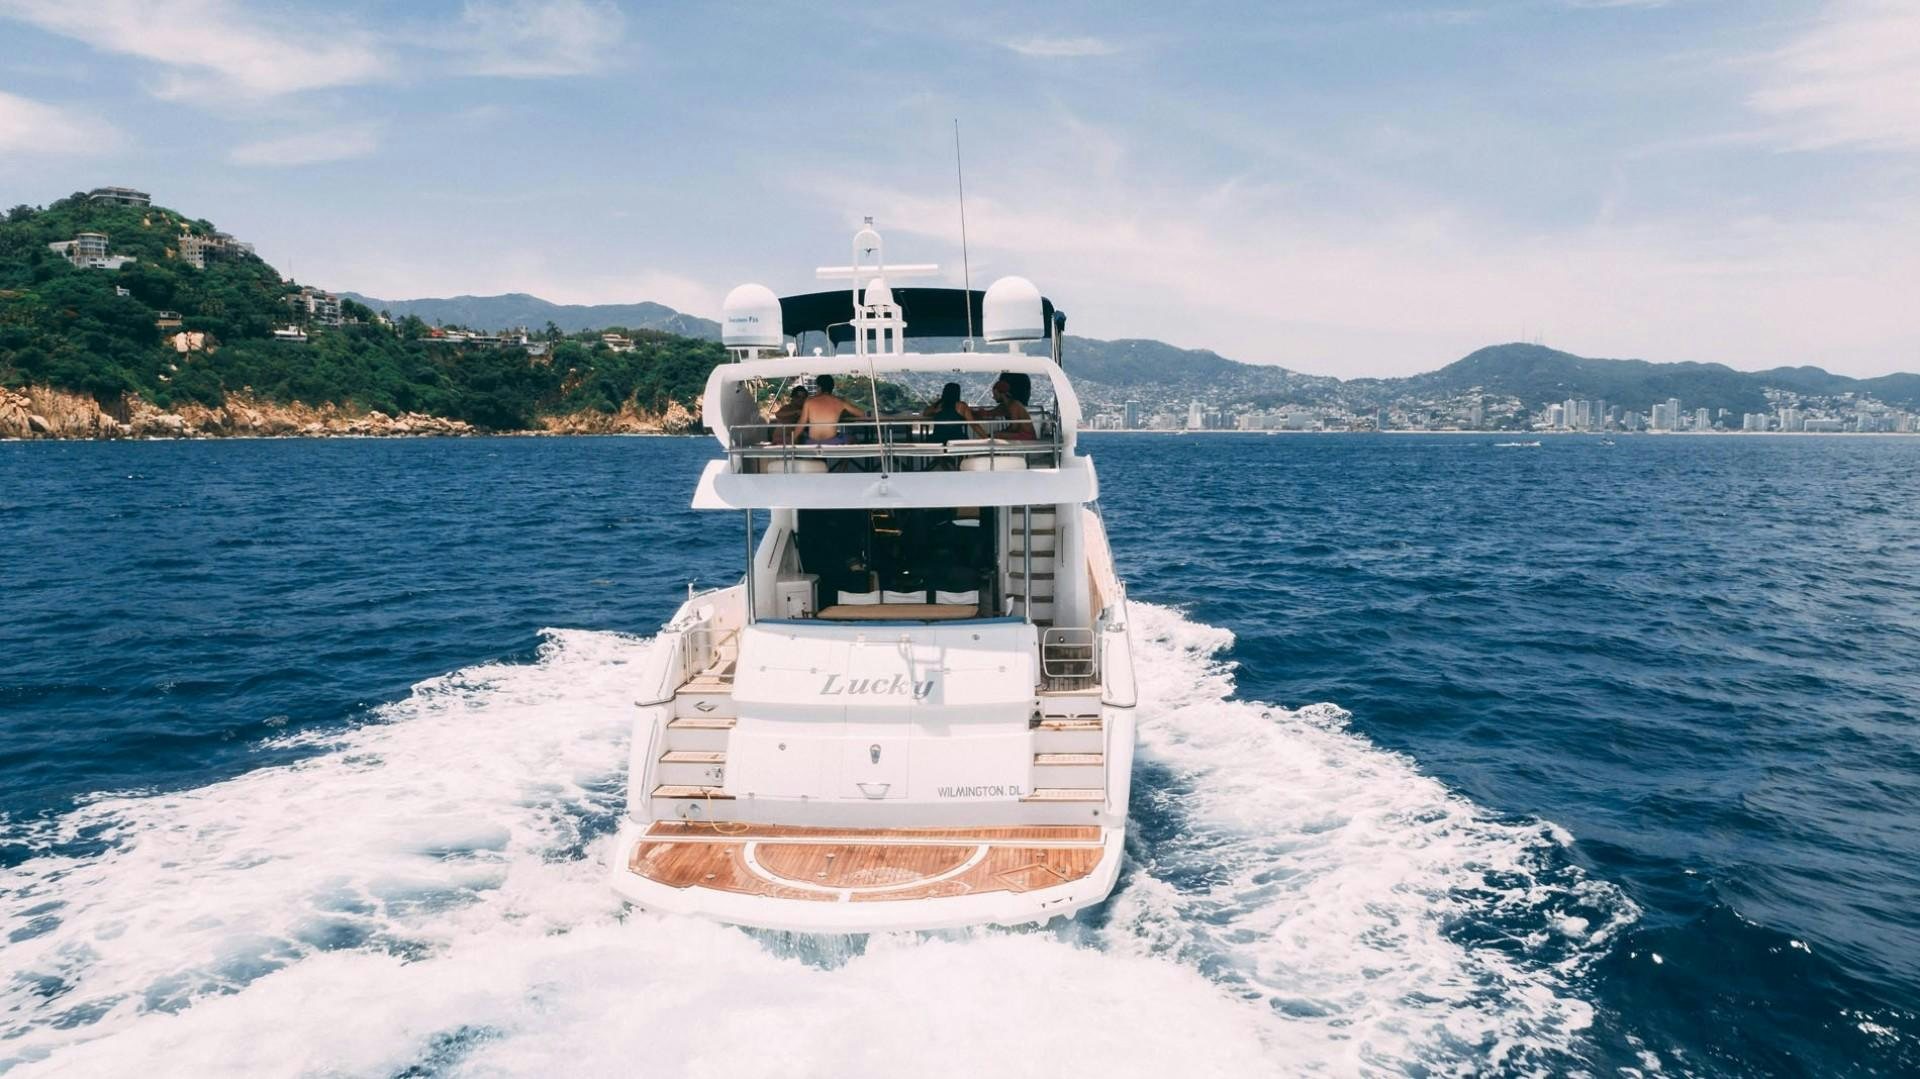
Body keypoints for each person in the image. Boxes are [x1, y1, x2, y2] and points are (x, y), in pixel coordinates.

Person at [798, 374, 867, 444]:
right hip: (832, 442)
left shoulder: (809, 402)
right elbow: (861, 414)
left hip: (812, 443)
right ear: (832, 388)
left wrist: (793, 440)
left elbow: (801, 424)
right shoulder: (839, 401)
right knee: (853, 438)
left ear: (819, 387)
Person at [968, 378, 1035, 441]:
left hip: (1027, 435)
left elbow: (1014, 427)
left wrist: (1001, 433)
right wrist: (971, 412)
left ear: (1002, 394)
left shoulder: (1014, 405)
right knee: (994, 435)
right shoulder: (1004, 406)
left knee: (995, 435)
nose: (993, 397)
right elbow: (990, 413)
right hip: (1018, 433)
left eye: (995, 394)